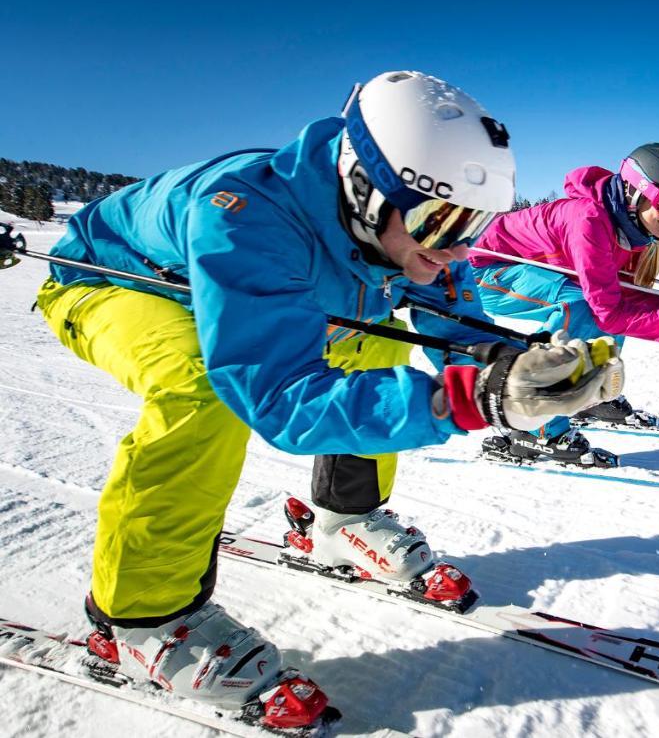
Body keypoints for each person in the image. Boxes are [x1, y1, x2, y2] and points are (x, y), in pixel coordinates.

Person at [33, 71, 624, 727]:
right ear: (367, 192)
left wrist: (518, 374)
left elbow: (461, 339)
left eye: (476, 223)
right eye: (444, 221)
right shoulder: (246, 213)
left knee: (376, 343)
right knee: (201, 385)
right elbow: (278, 394)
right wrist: (460, 402)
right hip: (117, 285)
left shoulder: (420, 238)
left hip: (275, 286)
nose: (460, 249)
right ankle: (141, 619)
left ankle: (345, 519)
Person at [469, 143, 659, 467]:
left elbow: (619, 297)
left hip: (520, 272)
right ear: (636, 191)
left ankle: (589, 394)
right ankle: (539, 426)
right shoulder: (589, 218)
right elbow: (607, 312)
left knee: (599, 304)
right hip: (480, 271)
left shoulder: (632, 230)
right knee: (582, 306)